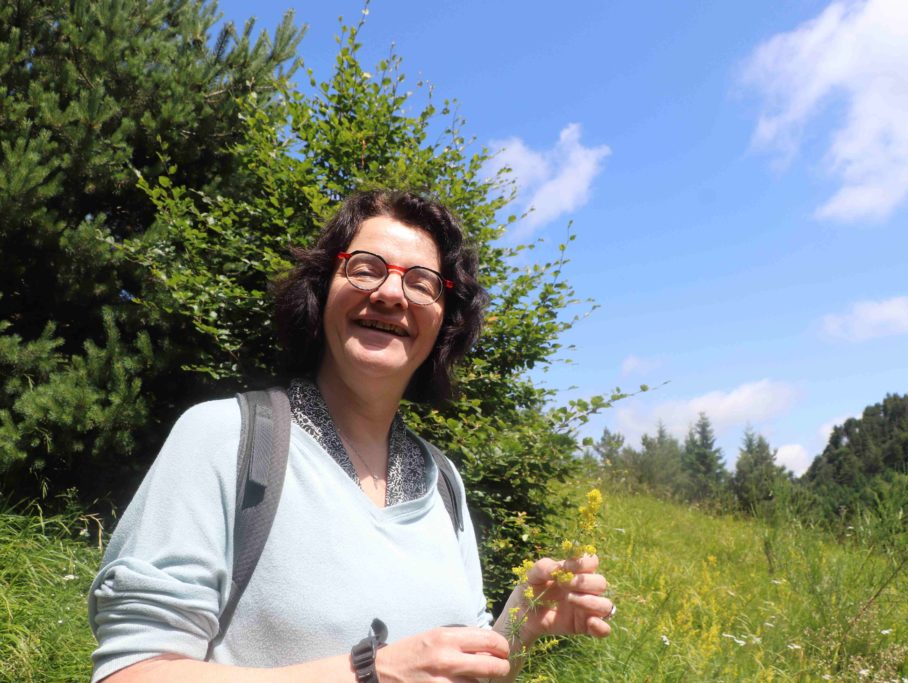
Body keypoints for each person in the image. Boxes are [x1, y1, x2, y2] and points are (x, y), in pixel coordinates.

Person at [89, 190, 614, 682]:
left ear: (444, 323)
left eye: (421, 283)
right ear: (322, 290)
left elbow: (445, 667)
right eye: (365, 269)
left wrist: (517, 627)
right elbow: (131, 671)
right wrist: (370, 672)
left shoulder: (444, 484)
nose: (389, 293)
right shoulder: (224, 438)